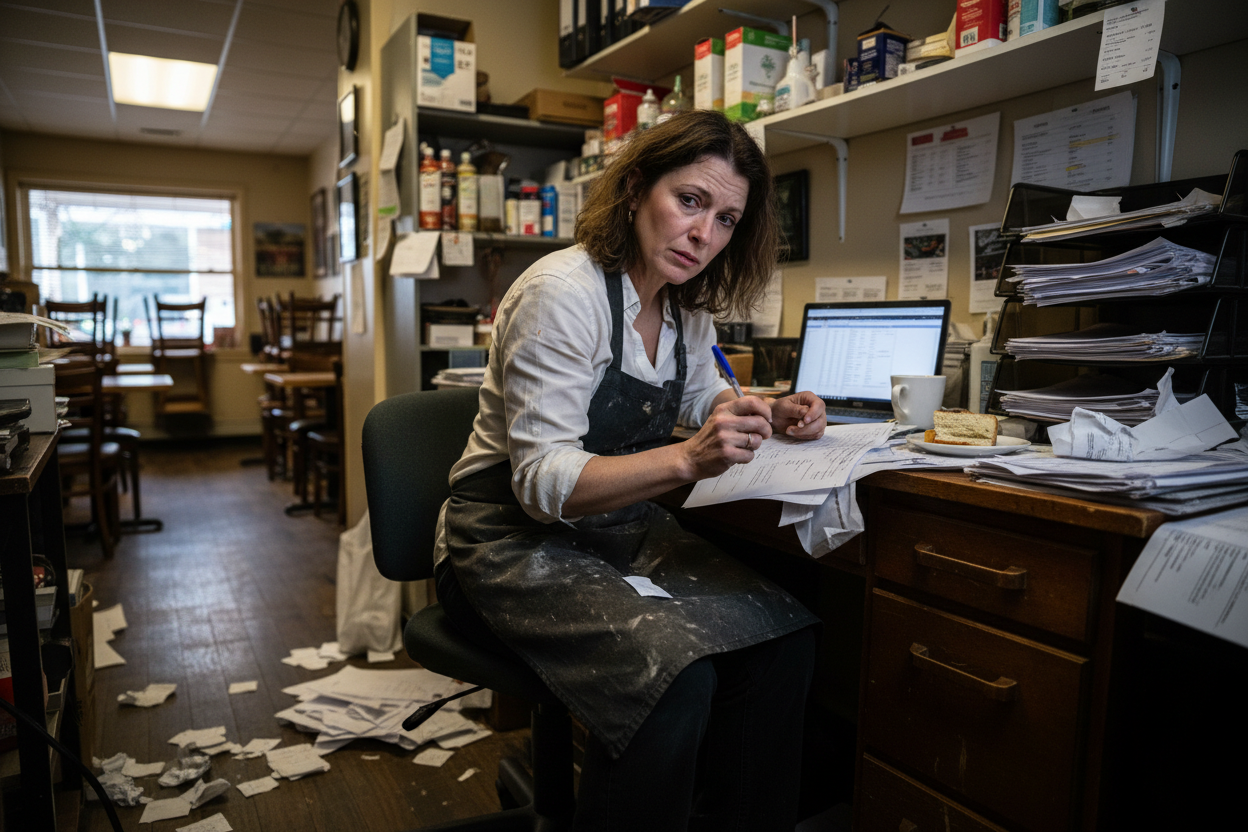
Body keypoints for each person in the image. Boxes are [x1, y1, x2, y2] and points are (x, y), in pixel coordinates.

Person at [434, 109, 827, 831]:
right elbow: (542, 482)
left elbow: (705, 395)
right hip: (505, 541)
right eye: (690, 201)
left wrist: (762, 410)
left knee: (783, 644)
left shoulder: (683, 310)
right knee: (673, 676)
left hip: (612, 531)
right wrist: (688, 457)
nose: (704, 234)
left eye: (727, 219)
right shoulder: (563, 293)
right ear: (637, 187)